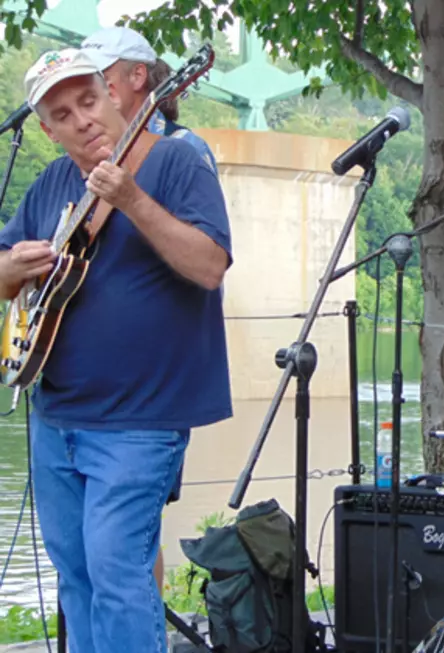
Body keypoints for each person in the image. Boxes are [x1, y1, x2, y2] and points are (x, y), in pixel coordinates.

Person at [0, 48, 232, 652]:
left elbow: (209, 267)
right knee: (74, 576)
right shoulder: (50, 184)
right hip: (55, 415)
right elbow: (2, 276)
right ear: (48, 130)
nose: (82, 119)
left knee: (117, 572)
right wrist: (14, 267)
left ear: (110, 95)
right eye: (63, 113)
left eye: (89, 101)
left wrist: (131, 200)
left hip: (139, 420)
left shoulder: (177, 163)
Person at [82, 25, 221, 590]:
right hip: (88, 389)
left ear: (138, 78)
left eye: (100, 82)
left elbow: (206, 257)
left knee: (132, 544)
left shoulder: (181, 152)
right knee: (95, 555)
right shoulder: (89, 157)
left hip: (148, 390)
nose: (92, 96)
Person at [81, 26, 219, 173]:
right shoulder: (86, 150)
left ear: (137, 76)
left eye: (99, 77)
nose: (87, 89)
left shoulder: (186, 147)